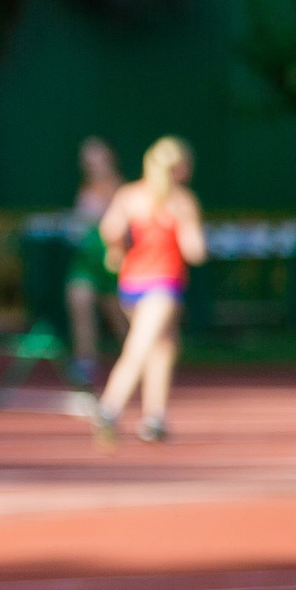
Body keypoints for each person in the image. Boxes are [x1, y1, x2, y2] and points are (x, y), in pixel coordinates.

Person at [91, 135, 206, 446]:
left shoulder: (130, 195)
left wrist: (118, 249)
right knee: (141, 345)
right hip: (162, 284)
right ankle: (110, 406)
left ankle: (155, 416)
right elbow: (195, 250)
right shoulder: (180, 202)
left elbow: (109, 230)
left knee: (164, 346)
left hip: (132, 284)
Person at [63, 138, 128, 386]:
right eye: (88, 161)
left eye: (97, 159)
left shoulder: (122, 190)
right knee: (79, 302)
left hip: (112, 265)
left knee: (119, 318)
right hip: (86, 263)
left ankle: (138, 363)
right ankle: (85, 362)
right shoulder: (85, 191)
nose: (92, 166)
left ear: (110, 159)